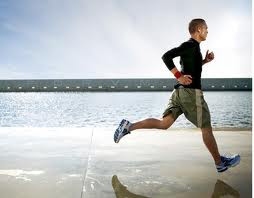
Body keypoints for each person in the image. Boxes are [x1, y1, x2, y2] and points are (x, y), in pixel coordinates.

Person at [113, 18, 240, 173]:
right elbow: (166, 56)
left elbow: (191, 67)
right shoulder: (189, 45)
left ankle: (128, 126)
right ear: (198, 29)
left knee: (164, 124)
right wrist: (178, 76)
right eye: (206, 28)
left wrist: (205, 61)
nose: (207, 31)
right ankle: (220, 163)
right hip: (191, 93)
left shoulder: (193, 48)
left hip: (179, 93)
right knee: (206, 127)